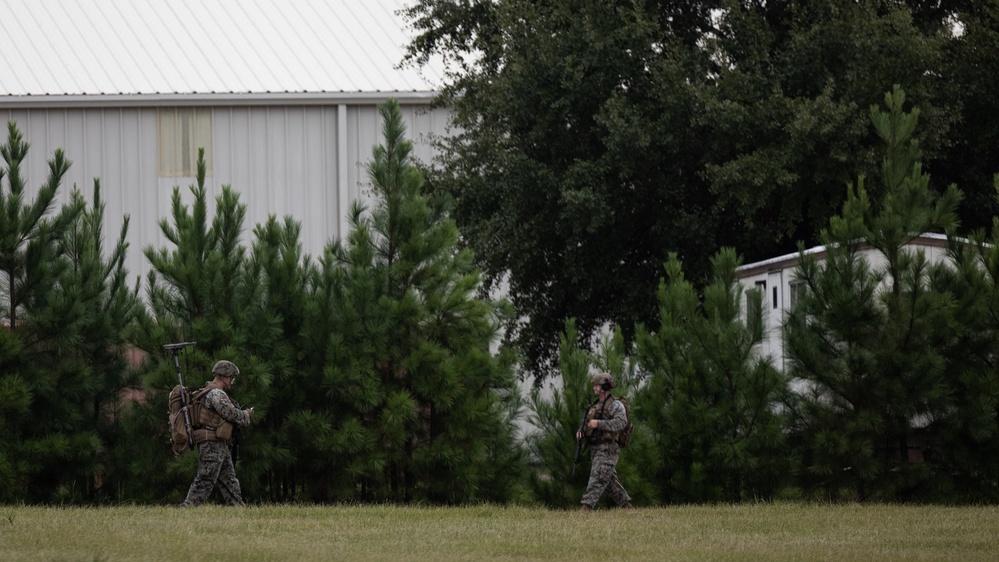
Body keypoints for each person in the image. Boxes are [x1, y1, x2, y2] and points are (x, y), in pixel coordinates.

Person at [182, 360, 254, 507]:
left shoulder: (212, 391)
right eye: (231, 377)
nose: (232, 381)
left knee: (229, 479)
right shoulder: (215, 393)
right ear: (222, 376)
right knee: (205, 479)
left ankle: (238, 508)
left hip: (218, 443)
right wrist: (246, 414)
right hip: (211, 443)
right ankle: (187, 508)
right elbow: (230, 413)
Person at [577, 373, 633, 510]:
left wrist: (599, 424)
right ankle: (628, 508)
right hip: (596, 449)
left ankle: (585, 508)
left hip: (609, 448)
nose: (594, 388)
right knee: (610, 482)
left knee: (597, 478)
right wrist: (581, 431)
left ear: (604, 387)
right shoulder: (596, 405)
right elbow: (589, 423)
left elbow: (621, 423)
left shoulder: (615, 405)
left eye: (597, 385)